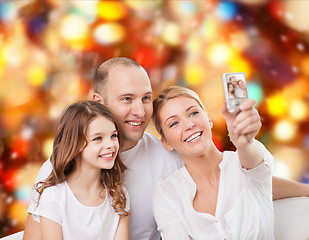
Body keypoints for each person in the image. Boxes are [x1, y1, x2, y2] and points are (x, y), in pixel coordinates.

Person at [24, 57, 309, 240]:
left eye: (146, 98)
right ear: (99, 100)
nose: (139, 110)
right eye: (126, 99)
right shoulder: (62, 166)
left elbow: (240, 180)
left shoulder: (168, 156)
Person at [152, 86, 275, 239]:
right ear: (166, 143)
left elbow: (254, 161)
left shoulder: (244, 163)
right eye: (174, 123)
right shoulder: (167, 192)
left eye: (193, 113)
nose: (189, 125)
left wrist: (243, 142)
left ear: (208, 120)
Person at [32, 101, 129, 240]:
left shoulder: (119, 195)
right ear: (75, 144)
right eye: (98, 138)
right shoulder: (54, 197)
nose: (110, 145)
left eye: (113, 135)